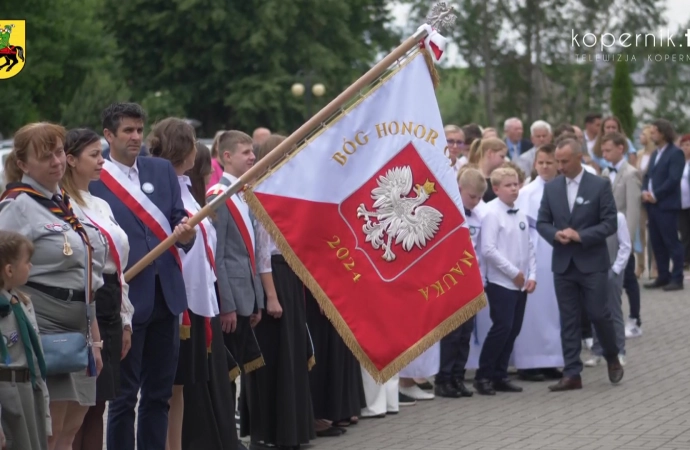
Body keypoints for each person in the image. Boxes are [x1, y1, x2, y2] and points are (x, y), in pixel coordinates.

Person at [90, 103, 196, 450]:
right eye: (127, 131)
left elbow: (181, 221)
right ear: (109, 135)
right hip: (126, 300)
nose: (136, 137)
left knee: (159, 394)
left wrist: (186, 234)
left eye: (139, 130)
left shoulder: (161, 170)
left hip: (167, 295)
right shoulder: (96, 178)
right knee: (124, 398)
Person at [0, 122, 107, 450]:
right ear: (22, 165)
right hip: (44, 326)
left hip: (80, 324)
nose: (57, 162)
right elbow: (4, 270)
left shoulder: (64, 202)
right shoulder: (18, 205)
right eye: (46, 156)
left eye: (59, 152)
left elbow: (84, 271)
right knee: (50, 427)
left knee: (73, 423)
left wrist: (96, 336)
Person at [61, 129, 135, 450]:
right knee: (77, 407)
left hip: (110, 303)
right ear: (71, 159)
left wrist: (125, 317)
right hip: (81, 305)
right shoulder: (61, 204)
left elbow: (118, 267)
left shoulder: (101, 204)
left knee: (99, 404)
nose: (101, 161)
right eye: (94, 155)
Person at [243, 134, 316, 448]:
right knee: (276, 358)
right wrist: (271, 295)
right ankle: (272, 431)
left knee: (292, 356)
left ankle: (293, 428)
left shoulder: (284, 191)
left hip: (289, 275)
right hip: (273, 277)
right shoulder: (261, 193)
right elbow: (262, 252)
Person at [146, 118, 215, 450]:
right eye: (193, 140)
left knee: (181, 387)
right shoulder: (164, 189)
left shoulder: (185, 187)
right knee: (170, 389)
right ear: (183, 147)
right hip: (179, 299)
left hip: (196, 297)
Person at [536, 138, 623, 391]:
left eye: (564, 161)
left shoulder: (599, 185)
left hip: (592, 262)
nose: (559, 166)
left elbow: (610, 224)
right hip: (563, 264)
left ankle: (612, 356)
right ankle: (572, 372)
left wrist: (581, 236)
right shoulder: (551, 188)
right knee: (569, 318)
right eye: (557, 161)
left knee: (599, 314)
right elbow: (542, 222)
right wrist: (555, 234)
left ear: (579, 157)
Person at [180, 142, 239, 450]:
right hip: (193, 301)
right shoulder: (181, 199)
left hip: (208, 296)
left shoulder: (193, 198)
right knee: (199, 383)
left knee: (217, 378)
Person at [474, 167, 536, 396]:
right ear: (496, 188)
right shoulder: (491, 213)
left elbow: (528, 245)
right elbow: (488, 250)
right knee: (502, 327)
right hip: (501, 282)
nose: (514, 189)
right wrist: (512, 272)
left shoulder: (520, 212)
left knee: (514, 329)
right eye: (509, 185)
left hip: (519, 282)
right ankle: (483, 375)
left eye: (516, 184)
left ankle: (500, 374)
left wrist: (532, 275)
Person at [512, 144, 564, 382]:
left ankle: (551, 359)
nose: (544, 166)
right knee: (532, 310)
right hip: (532, 252)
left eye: (549, 162)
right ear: (535, 164)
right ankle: (528, 362)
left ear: (557, 164)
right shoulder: (526, 193)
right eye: (541, 162)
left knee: (554, 308)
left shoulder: (564, 189)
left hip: (557, 252)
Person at [434, 167, 488, 398]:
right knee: (452, 333)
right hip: (452, 280)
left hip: (472, 282)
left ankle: (458, 376)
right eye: (472, 197)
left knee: (466, 333)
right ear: (459, 190)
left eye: (479, 198)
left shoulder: (477, 217)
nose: (476, 202)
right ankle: (443, 379)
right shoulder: (447, 214)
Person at [0, 230, 49, 450]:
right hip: (7, 397)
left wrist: (44, 410)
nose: (31, 267)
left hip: (29, 391)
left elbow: (36, 357)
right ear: (9, 270)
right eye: (27, 262)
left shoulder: (22, 302)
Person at [599, 132, 643, 338]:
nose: (604, 154)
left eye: (608, 150)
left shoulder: (630, 173)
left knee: (628, 279)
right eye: (603, 150)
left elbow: (633, 209)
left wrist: (629, 240)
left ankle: (635, 319)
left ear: (621, 149)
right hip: (607, 236)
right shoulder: (605, 173)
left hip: (622, 234)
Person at [642, 119, 685, 291]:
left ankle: (677, 278)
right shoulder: (655, 153)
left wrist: (656, 194)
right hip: (652, 205)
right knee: (657, 242)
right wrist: (645, 191)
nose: (651, 135)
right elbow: (647, 176)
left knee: (671, 242)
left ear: (663, 133)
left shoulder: (675, 153)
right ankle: (663, 275)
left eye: (654, 132)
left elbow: (674, 179)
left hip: (666, 205)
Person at [585, 212, 631, 367]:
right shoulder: (588, 215)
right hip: (593, 269)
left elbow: (625, 246)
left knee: (614, 309)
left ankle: (620, 351)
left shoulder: (617, 218)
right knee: (594, 310)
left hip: (613, 268)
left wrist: (616, 270)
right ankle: (597, 351)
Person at [466, 138, 509, 203]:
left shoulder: (496, 178)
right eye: (501, 156)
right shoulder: (472, 176)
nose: (504, 161)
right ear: (490, 153)